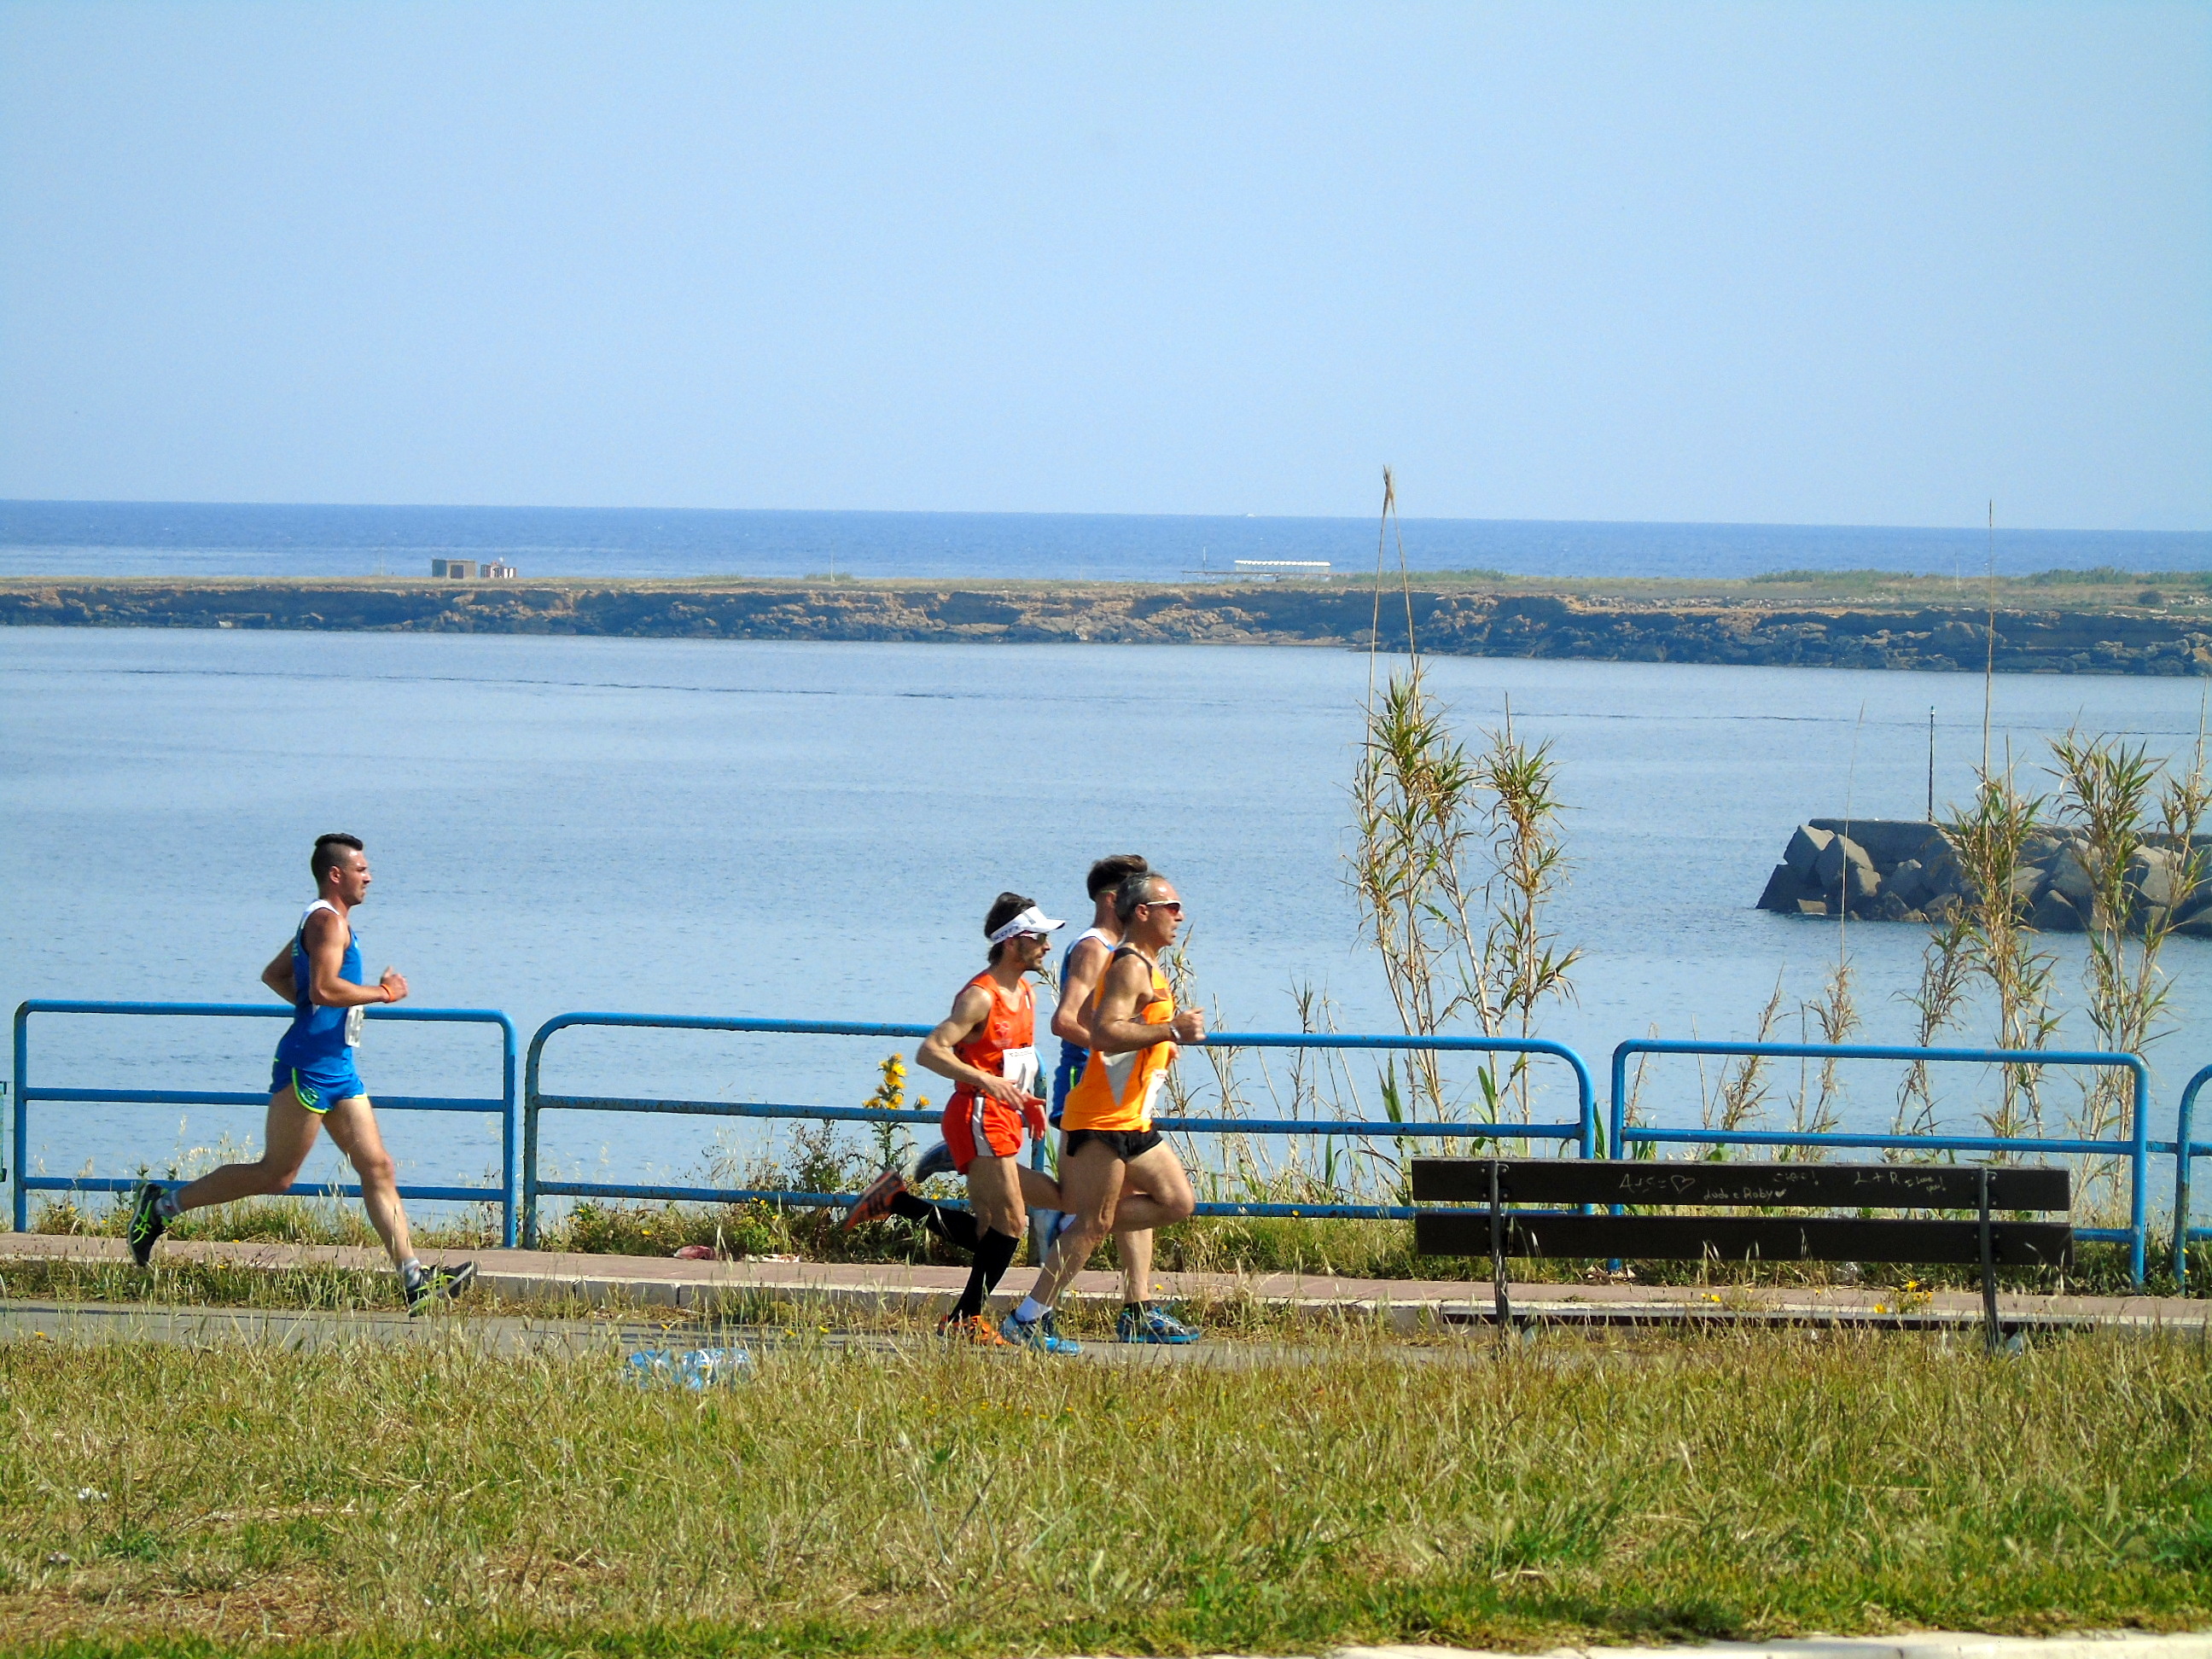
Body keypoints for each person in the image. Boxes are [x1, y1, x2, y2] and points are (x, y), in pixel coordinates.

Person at [125, 834, 476, 1313]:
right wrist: (384, 993)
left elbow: (277, 975)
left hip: (339, 1068)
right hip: (307, 1068)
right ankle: (161, 1207)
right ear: (336, 874)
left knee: (378, 1167)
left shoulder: (326, 922)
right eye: (361, 870)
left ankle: (414, 1280)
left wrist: (316, 1009)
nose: (370, 877)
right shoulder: (326, 922)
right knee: (277, 1175)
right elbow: (325, 989)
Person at [842, 892, 1074, 1350]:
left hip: (1004, 1114)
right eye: (1039, 937)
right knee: (1013, 1223)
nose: (1047, 946)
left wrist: (1028, 1101)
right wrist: (985, 1082)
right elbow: (930, 1051)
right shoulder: (980, 996)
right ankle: (965, 1318)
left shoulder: (1026, 994)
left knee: (993, 1229)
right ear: (1013, 941)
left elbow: (1016, 1061)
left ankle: (896, 1201)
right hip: (978, 1114)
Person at [1002, 872, 1201, 1349]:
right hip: (1100, 1117)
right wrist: (1170, 1031)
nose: (1180, 916)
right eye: (1171, 907)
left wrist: (1158, 1042)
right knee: (1094, 1223)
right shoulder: (1128, 965)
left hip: (1131, 1116)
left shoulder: (1147, 965)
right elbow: (1106, 1033)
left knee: (1177, 1202)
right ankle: (1027, 1318)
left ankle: (1079, 1218)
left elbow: (1120, 1028)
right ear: (1142, 913)